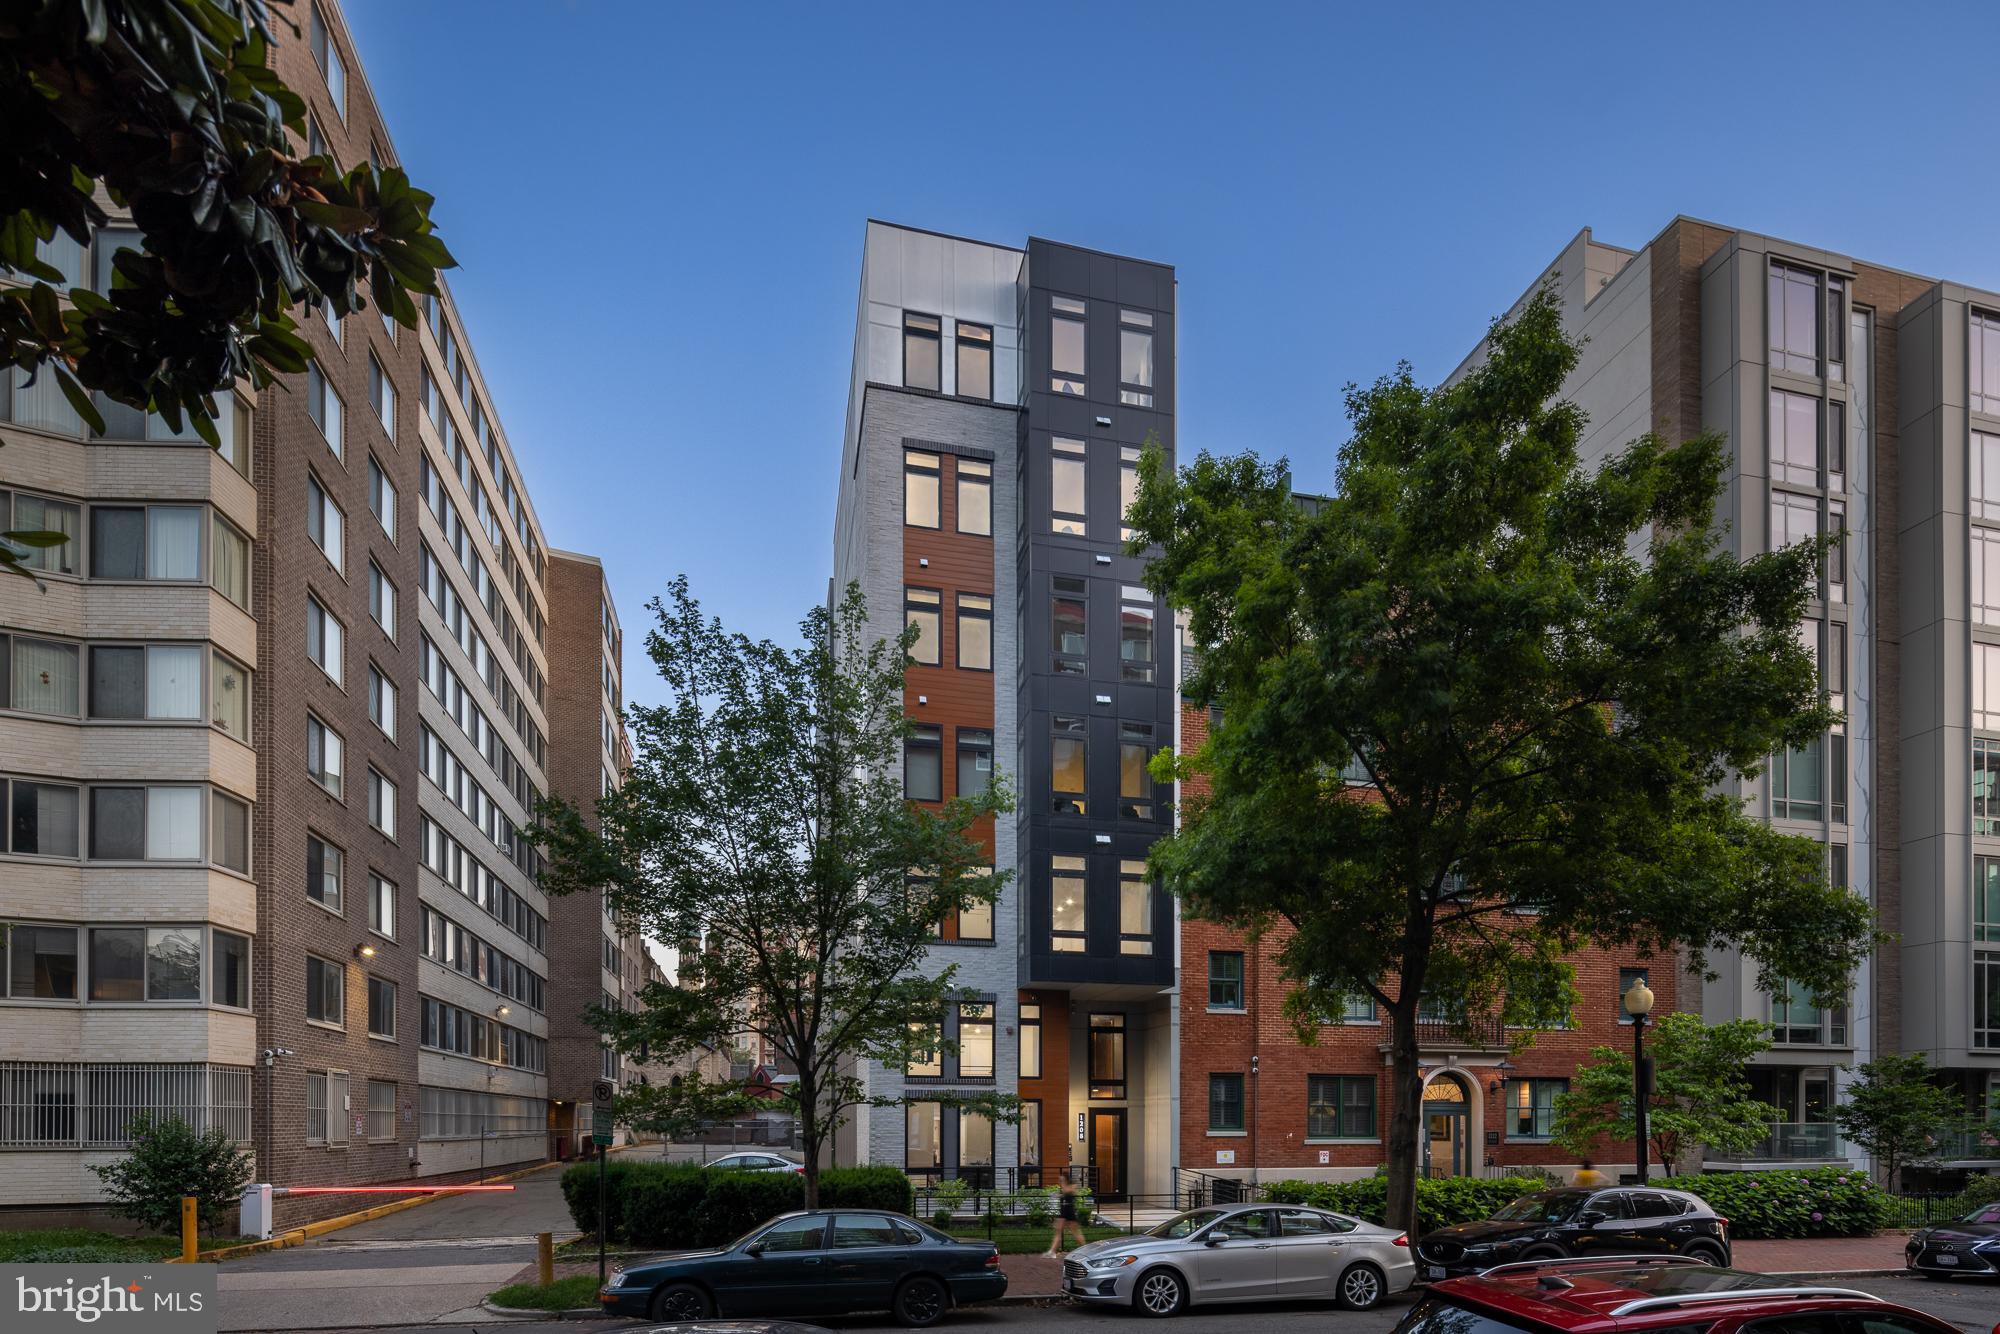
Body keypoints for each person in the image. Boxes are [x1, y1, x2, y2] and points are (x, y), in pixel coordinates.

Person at [1046, 1179, 1086, 1257]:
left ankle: (1084, 1250)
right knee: (1058, 1232)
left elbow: (1070, 1192)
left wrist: (1060, 1192)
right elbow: (1061, 1195)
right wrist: (1054, 1195)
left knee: (1076, 1233)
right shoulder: (1064, 1189)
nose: (1059, 1182)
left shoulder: (1071, 1187)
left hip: (1070, 1213)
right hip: (1063, 1212)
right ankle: (1052, 1252)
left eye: (1061, 1180)